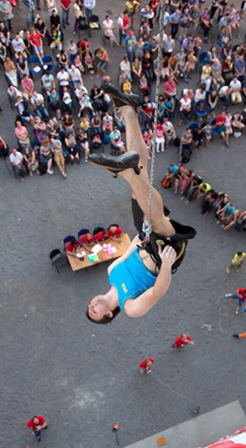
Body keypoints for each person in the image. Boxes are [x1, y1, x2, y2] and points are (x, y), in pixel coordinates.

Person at [85, 86, 197, 324]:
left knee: (141, 180)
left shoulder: (111, 272)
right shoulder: (129, 307)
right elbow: (157, 292)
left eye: (89, 306)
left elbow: (132, 247)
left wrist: (141, 234)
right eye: (94, 312)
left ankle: (127, 110)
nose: (92, 305)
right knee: (148, 208)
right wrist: (166, 264)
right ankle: (126, 172)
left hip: (146, 242)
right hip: (163, 257)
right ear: (108, 314)